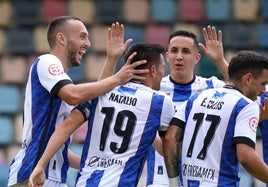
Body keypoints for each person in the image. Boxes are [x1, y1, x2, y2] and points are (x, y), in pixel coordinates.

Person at [8, 16, 148, 187]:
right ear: (61, 38)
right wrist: (118, 78)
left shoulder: (62, 84)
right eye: (82, 36)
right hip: (31, 173)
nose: (88, 44)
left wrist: (111, 59)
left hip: (55, 177)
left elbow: (93, 99)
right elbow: (74, 95)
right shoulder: (47, 61)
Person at [28, 42, 175, 187]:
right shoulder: (160, 101)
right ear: (153, 71)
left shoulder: (101, 93)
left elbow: (67, 124)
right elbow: (167, 150)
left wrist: (41, 165)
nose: (163, 74)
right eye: (162, 69)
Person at [163, 50, 268, 186]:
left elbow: (170, 138)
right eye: (263, 83)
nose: (264, 90)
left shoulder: (196, 98)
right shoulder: (246, 105)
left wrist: (173, 182)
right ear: (248, 79)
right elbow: (246, 157)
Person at [146, 26, 228, 187]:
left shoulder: (212, 86)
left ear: (197, 58)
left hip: (201, 178)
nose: (179, 57)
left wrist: (220, 61)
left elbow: (244, 91)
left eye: (186, 51)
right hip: (160, 179)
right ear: (167, 56)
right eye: (174, 51)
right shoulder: (152, 88)